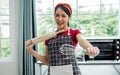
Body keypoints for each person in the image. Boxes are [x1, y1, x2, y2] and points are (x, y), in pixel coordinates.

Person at [25, 3, 100, 75]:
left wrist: (90, 48)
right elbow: (48, 61)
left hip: (72, 72)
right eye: (57, 15)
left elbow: (82, 40)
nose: (60, 19)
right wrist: (31, 51)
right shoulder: (48, 37)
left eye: (63, 16)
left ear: (69, 17)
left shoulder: (74, 33)